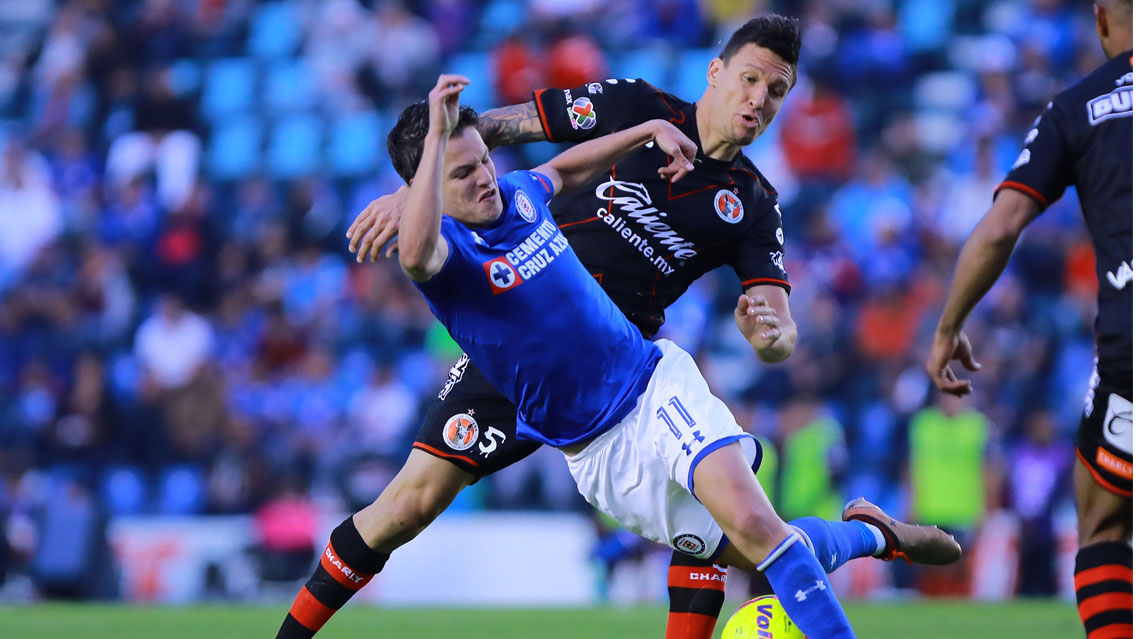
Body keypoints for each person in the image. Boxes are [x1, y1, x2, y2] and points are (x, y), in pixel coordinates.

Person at [290, 16, 957, 639]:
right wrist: (416, 189)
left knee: (735, 531)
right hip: (508, 343)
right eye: (750, 78)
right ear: (715, 73)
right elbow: (495, 131)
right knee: (404, 508)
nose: (759, 98)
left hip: (623, 370)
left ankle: (865, 537)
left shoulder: (752, 203)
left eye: (776, 91)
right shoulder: (635, 106)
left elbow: (777, 327)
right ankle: (871, 534)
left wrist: (768, 335)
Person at [926, 1, 1132, 636]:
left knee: (1101, 524)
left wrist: (947, 325)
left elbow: (1000, 228)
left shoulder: (1076, 107)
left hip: (1131, 351)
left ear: (1101, 19)